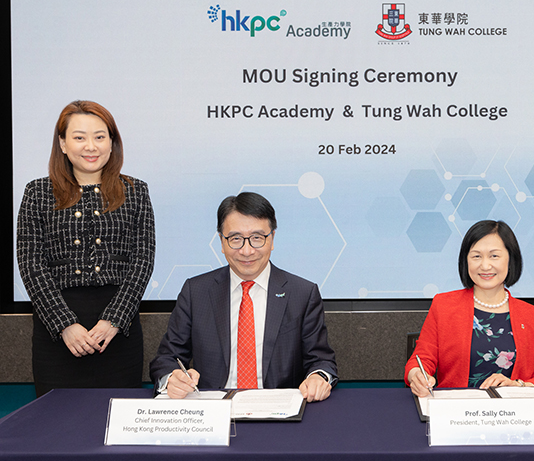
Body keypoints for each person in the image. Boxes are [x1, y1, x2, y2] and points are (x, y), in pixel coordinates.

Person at [17, 100, 156, 397]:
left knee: (116, 426)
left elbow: (143, 260)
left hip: (118, 332)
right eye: (79, 137)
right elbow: (30, 263)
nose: (90, 146)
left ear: (112, 142)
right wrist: (65, 324)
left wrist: (114, 320)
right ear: (63, 144)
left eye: (100, 137)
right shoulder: (37, 192)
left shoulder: (135, 190)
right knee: (58, 426)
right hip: (57, 331)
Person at [149, 192, 337, 401]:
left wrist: (318, 377)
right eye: (236, 239)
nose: (247, 251)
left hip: (278, 410)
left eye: (257, 238)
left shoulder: (302, 293)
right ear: (221, 242)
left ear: (272, 239)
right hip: (214, 410)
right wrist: (172, 379)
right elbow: (166, 359)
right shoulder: (196, 292)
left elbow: (321, 360)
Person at [405, 220, 534, 396]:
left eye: (494, 256)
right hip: (456, 412)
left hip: (512, 414)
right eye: (476, 256)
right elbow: (420, 360)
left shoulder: (533, 316)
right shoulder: (444, 305)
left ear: (511, 259)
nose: (485, 266)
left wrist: (517, 385)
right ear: (465, 261)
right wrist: (417, 376)